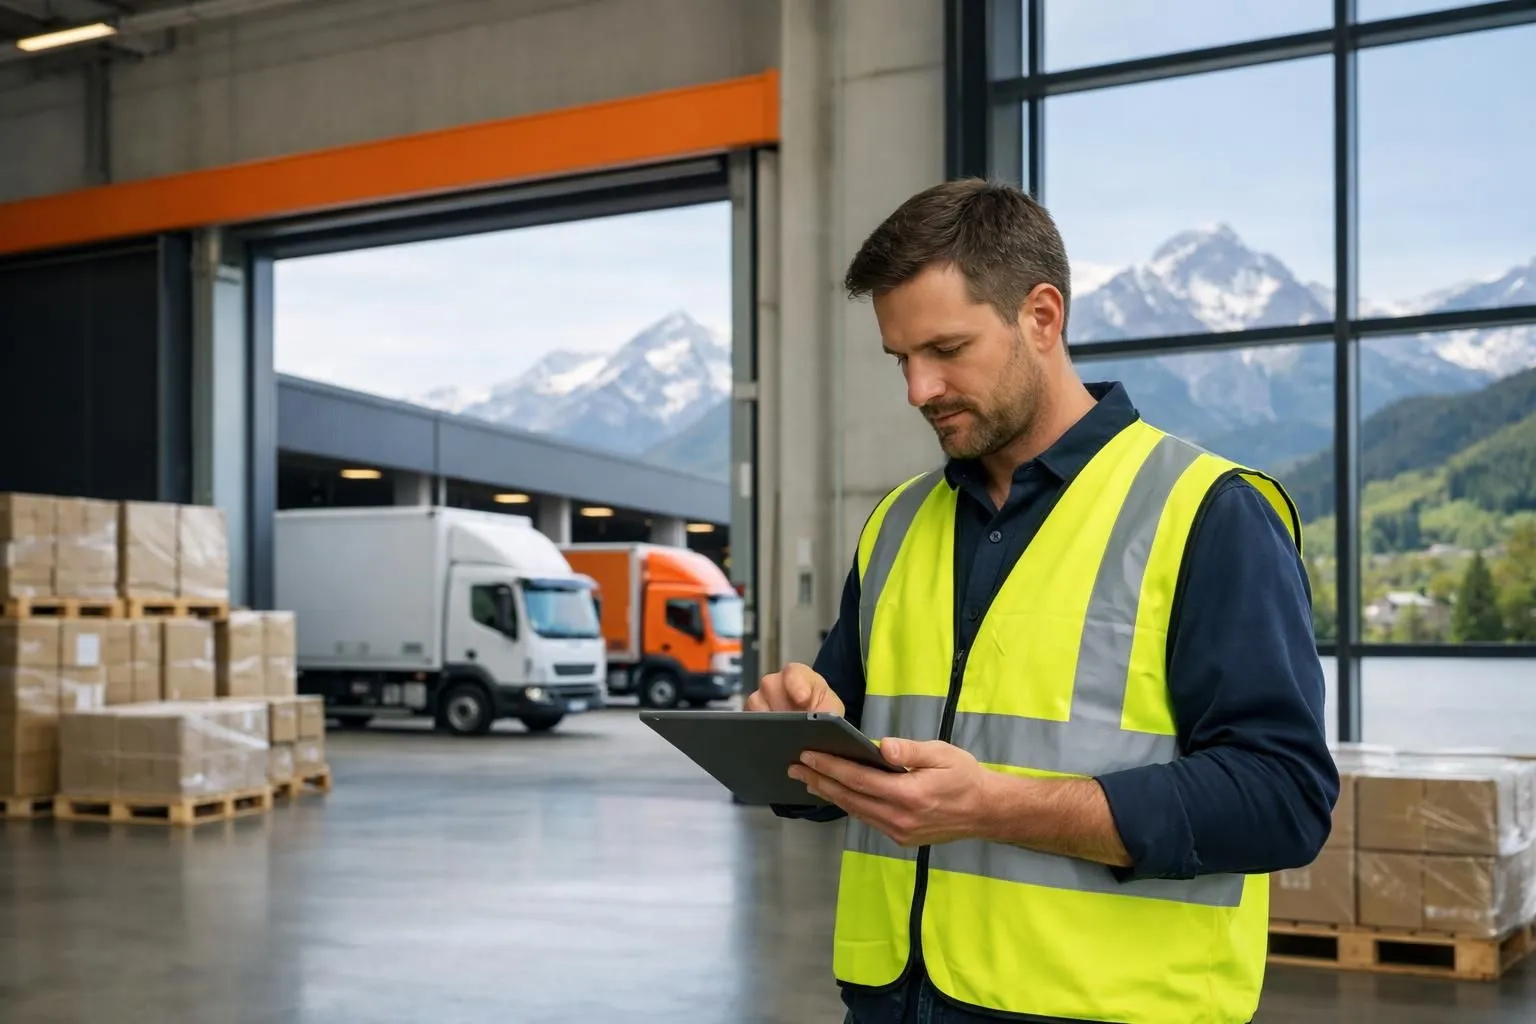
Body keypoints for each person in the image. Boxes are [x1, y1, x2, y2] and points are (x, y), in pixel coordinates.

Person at [745, 179, 1339, 1024]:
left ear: (1042, 317)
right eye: (901, 360)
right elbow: (838, 746)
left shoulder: (1207, 511)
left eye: (947, 349)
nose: (919, 389)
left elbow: (1283, 797)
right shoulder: (898, 523)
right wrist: (795, 729)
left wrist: (997, 805)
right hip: (892, 1006)